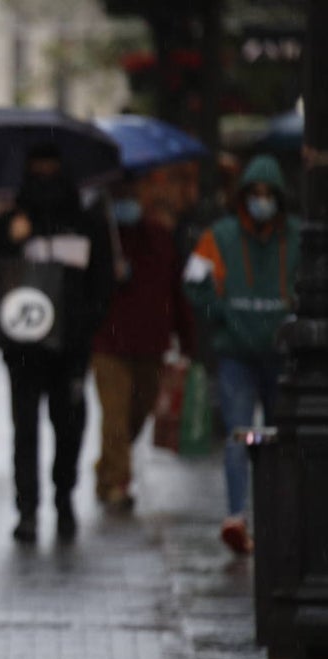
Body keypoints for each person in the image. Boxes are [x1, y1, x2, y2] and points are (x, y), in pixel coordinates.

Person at [0, 142, 114, 543]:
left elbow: (101, 282)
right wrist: (10, 238)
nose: (44, 175)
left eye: (50, 166)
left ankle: (64, 498)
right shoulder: (10, 223)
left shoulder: (88, 222)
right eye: (36, 167)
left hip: (71, 348)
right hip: (23, 349)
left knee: (69, 425)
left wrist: (84, 324)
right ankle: (28, 510)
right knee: (25, 431)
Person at [183, 153, 300, 555]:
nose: (261, 201)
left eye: (269, 194)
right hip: (237, 357)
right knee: (242, 435)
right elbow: (194, 283)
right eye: (255, 194)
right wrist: (224, 313)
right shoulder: (220, 237)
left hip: (281, 360)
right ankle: (237, 515)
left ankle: (275, 517)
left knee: (278, 439)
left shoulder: (298, 238)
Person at [92, 174, 195, 511]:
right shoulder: (102, 239)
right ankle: (116, 484)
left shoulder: (159, 239)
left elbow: (175, 292)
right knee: (116, 416)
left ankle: (108, 466)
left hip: (151, 344)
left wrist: (187, 339)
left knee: (139, 412)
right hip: (109, 343)